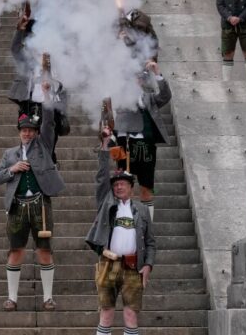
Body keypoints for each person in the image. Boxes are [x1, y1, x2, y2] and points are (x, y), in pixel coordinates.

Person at [0, 82, 64, 312]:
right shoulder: (9, 154)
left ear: (35, 132)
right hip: (17, 205)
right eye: (23, 129)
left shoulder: (43, 145)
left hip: (40, 204)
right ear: (19, 131)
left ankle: (48, 297)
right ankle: (11, 298)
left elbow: (50, 123)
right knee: (15, 251)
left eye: (30, 130)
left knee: (44, 250)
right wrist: (13, 169)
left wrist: (46, 96)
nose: (27, 133)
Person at [86, 127, 157, 335]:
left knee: (131, 315)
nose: (119, 187)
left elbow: (151, 242)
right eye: (116, 184)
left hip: (133, 265)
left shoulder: (142, 210)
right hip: (108, 263)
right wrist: (104, 146)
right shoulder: (106, 203)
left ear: (131, 187)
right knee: (106, 314)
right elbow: (101, 177)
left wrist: (149, 265)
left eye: (123, 184)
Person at [9, 9, 71, 165]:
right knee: (28, 140)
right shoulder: (27, 58)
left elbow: (65, 81)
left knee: (49, 141)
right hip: (30, 104)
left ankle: (49, 168)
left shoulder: (58, 56)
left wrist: (51, 85)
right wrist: (20, 31)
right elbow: (15, 49)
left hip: (50, 104)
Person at [114, 61, 172, 222]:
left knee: (146, 187)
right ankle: (123, 221)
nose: (135, 81)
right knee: (122, 187)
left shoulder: (149, 98)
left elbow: (165, 96)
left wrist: (157, 73)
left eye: (138, 77)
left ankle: (148, 227)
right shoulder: (119, 98)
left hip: (147, 147)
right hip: (126, 147)